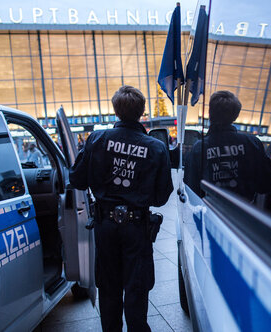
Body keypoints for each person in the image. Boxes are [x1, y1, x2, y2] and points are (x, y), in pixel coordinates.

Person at [69, 85, 173, 332]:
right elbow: (161, 196)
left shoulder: (96, 139)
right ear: (142, 111)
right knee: (136, 288)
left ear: (115, 110)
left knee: (108, 289)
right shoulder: (156, 147)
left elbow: (77, 180)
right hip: (137, 228)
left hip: (105, 226)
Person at [184, 90, 271, 200]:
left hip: (210, 213)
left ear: (210, 114)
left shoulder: (200, 148)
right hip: (244, 213)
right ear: (235, 116)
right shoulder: (252, 143)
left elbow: (191, 191)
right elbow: (267, 185)